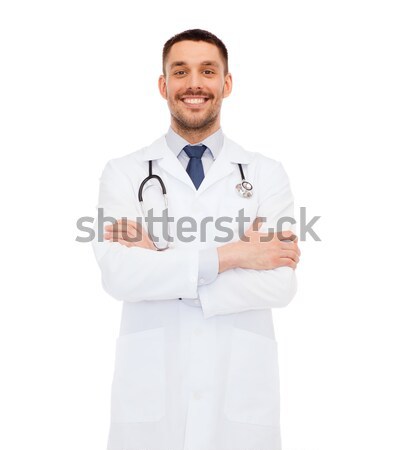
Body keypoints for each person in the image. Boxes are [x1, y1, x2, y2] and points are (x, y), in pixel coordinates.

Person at [92, 28, 300, 450]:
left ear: (226, 83)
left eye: (208, 71)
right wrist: (235, 254)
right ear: (163, 84)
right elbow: (119, 276)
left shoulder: (264, 173)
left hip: (239, 396)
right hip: (152, 398)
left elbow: (280, 283)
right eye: (180, 71)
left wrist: (166, 268)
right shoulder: (124, 172)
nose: (194, 84)